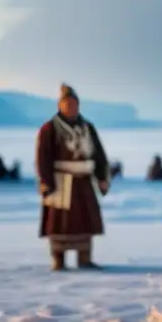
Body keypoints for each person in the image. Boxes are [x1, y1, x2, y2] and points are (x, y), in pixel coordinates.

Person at [35, 84, 111, 271]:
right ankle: (58, 259)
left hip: (84, 181)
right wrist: (46, 181)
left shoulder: (87, 127)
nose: (71, 107)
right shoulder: (49, 128)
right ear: (60, 105)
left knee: (85, 221)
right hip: (60, 182)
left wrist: (102, 177)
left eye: (74, 103)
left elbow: (98, 154)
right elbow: (42, 157)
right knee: (59, 223)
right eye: (67, 103)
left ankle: (84, 258)